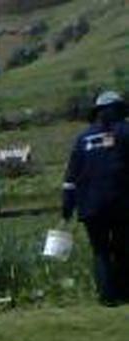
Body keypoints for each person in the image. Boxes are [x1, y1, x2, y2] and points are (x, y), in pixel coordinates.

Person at [62, 89, 129, 304]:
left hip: (91, 206)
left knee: (100, 251)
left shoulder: (83, 139)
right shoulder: (126, 132)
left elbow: (71, 176)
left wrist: (67, 206)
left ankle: (107, 297)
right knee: (122, 248)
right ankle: (124, 292)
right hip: (122, 203)